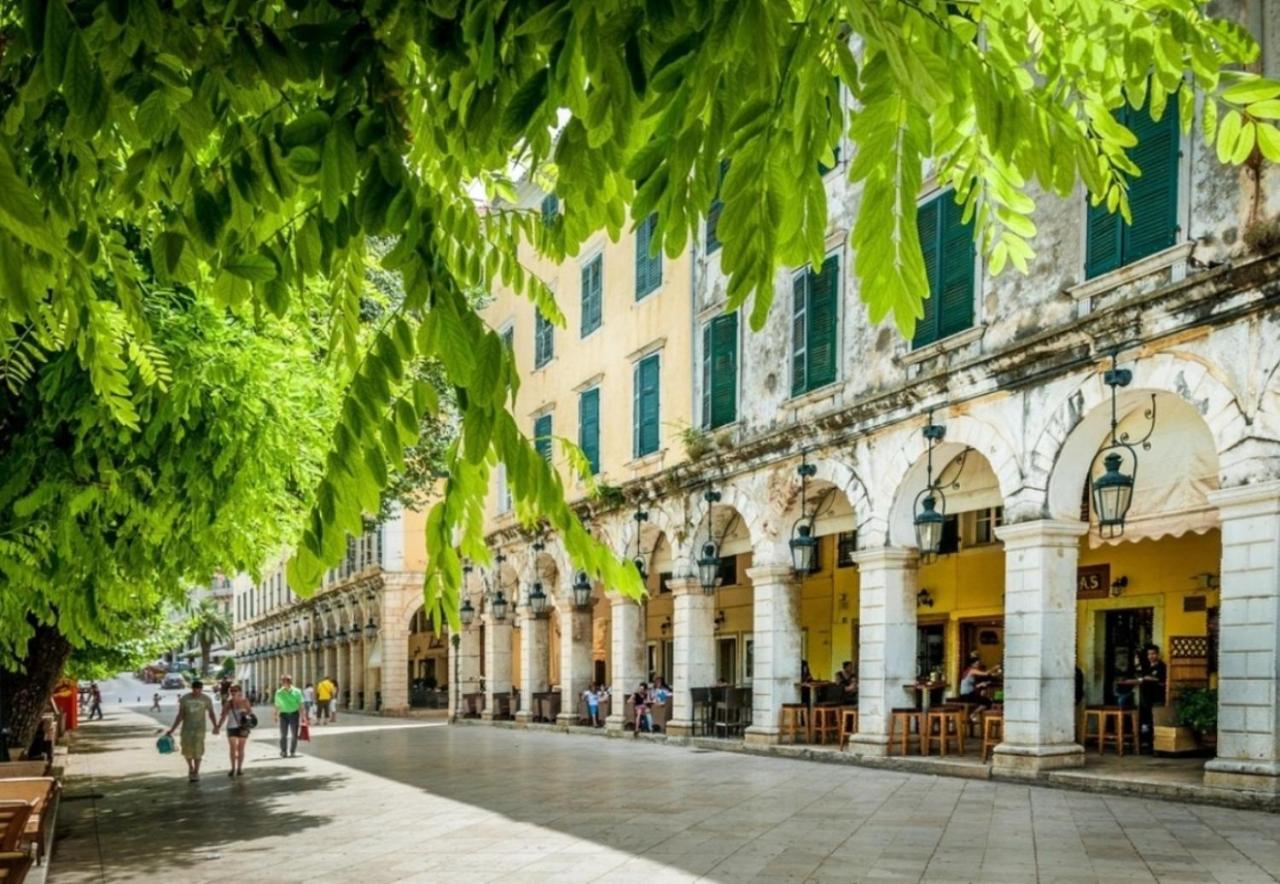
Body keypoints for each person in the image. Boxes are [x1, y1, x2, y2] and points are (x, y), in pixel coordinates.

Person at [165, 680, 218, 782]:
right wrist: (172, 729)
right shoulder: (185, 699)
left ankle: (196, 771)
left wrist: (216, 726)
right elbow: (180, 715)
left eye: (199, 689)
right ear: (192, 689)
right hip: (187, 728)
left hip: (200, 729)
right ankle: (190, 767)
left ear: (202, 689)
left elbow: (211, 713)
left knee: (198, 749)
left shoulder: (206, 699)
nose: (197, 692)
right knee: (187, 749)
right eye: (195, 689)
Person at [216, 684, 254, 777]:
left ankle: (239, 769)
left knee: (241, 748)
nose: (233, 692)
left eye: (235, 690)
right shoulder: (228, 703)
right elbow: (223, 716)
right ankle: (233, 768)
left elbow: (250, 713)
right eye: (231, 691)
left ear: (240, 691)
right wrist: (217, 727)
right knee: (232, 749)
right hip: (231, 727)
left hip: (243, 727)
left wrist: (245, 713)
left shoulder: (245, 701)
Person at [1135, 644, 1167, 748]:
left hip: (1157, 697)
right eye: (1149, 654)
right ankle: (1144, 741)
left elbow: (1160, 680)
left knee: (1154, 720)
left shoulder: (1162, 666)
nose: (1151, 656)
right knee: (1144, 719)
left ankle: (1154, 744)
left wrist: (1149, 678)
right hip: (1145, 696)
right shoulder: (1146, 666)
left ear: (1157, 654)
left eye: (1153, 654)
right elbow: (1139, 676)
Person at [273, 674, 308, 757]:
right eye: (283, 681)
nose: (284, 682)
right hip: (283, 715)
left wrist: (303, 716)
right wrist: (275, 715)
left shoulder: (297, 691)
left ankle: (292, 751)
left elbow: (301, 704)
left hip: (294, 714)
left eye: (286, 681)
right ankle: (283, 751)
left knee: (294, 734)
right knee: (283, 734)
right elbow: (277, 705)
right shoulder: (279, 692)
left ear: (290, 682)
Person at [958, 652, 999, 719]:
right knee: (988, 702)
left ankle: (976, 715)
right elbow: (985, 673)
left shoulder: (970, 671)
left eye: (978, 664)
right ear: (972, 664)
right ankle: (974, 714)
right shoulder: (971, 670)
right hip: (967, 696)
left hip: (967, 694)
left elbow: (971, 686)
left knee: (986, 699)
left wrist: (980, 685)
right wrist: (995, 667)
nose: (978, 665)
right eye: (977, 664)